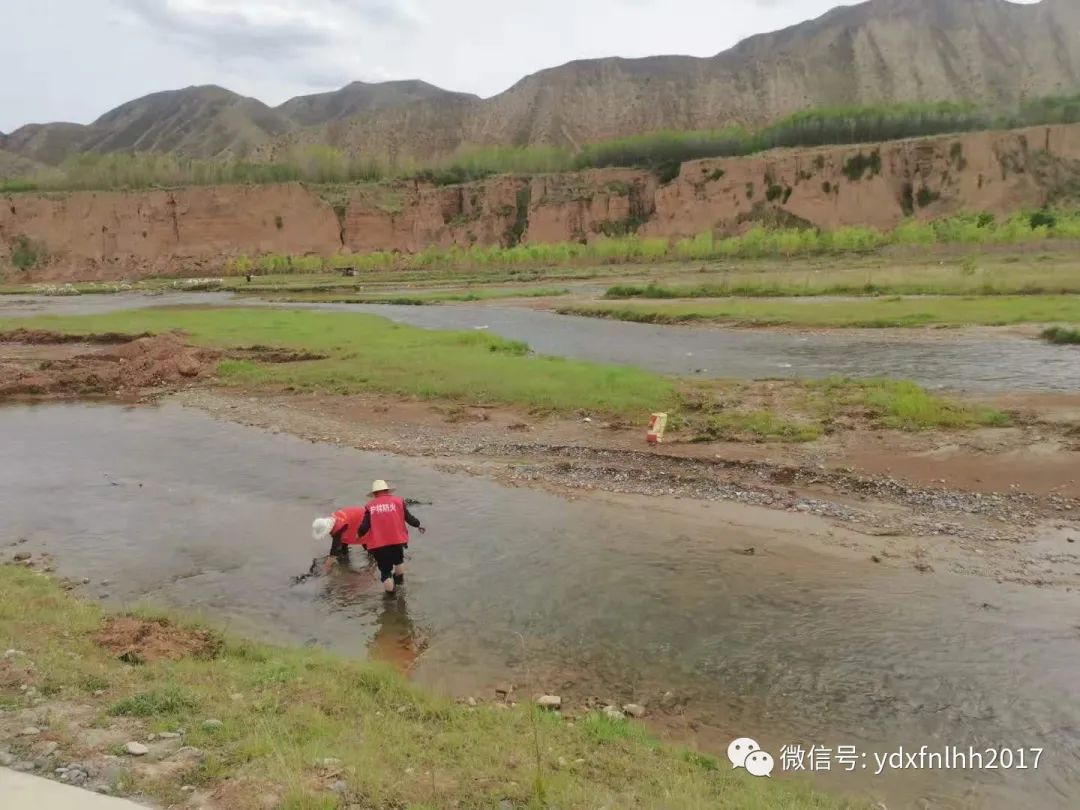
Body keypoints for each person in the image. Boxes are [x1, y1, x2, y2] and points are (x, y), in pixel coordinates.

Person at [356, 479, 425, 594]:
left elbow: (365, 527)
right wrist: (418, 525)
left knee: (385, 571)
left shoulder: (370, 506)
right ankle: (400, 583)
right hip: (397, 540)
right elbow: (408, 518)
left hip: (379, 544)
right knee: (398, 561)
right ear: (387, 491)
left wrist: (358, 535)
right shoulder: (398, 501)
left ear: (374, 494)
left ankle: (390, 601)